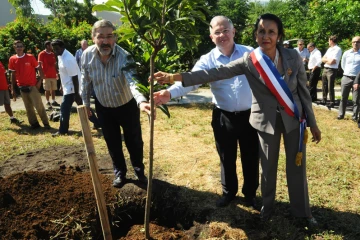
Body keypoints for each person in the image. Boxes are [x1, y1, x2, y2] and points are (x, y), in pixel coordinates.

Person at [152, 13, 321, 225]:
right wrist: (173, 78)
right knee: (267, 170)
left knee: (296, 168)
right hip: (264, 121)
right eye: (261, 31)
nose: (265, 36)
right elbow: (213, 73)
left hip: (293, 119)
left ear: (279, 35)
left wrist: (312, 123)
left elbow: (304, 91)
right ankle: (266, 211)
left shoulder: (292, 56)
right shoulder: (250, 60)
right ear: (255, 34)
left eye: (271, 32)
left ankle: (303, 213)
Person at [153, 16, 259, 208]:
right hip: (223, 115)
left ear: (234, 31)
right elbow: (192, 81)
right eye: (217, 32)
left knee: (251, 156)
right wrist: (169, 93)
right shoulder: (207, 59)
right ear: (211, 37)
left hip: (250, 115)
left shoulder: (249, 53)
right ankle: (229, 193)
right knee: (226, 156)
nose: (222, 35)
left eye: (225, 30)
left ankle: (250, 194)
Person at [81, 19, 152, 187]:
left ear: (115, 38)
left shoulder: (124, 56)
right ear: (93, 38)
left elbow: (132, 81)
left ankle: (139, 171)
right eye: (100, 37)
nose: (105, 41)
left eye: (109, 36)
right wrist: (86, 103)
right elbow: (85, 81)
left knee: (134, 141)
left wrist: (141, 101)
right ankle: (120, 173)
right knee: (112, 141)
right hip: (103, 106)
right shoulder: (87, 56)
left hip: (126, 105)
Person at [9, 40, 50, 129]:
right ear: (14, 48)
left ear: (23, 47)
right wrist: (12, 88)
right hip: (22, 87)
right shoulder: (12, 59)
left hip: (32, 86)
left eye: (20, 46)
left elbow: (39, 68)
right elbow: (13, 74)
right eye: (17, 46)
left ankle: (46, 123)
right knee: (28, 108)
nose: (19, 48)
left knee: (39, 106)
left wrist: (39, 81)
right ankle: (34, 124)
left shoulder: (30, 57)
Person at [50, 39, 83, 136]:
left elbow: (75, 77)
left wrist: (76, 93)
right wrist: (61, 86)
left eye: (57, 49)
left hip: (72, 87)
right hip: (67, 87)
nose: (55, 52)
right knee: (83, 106)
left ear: (62, 47)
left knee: (64, 109)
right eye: (54, 50)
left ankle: (62, 130)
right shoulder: (61, 56)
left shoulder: (68, 58)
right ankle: (98, 123)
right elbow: (63, 73)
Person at [337, 36, 360, 121]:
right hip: (346, 77)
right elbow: (343, 64)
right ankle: (341, 114)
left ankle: (355, 116)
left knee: (356, 99)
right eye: (354, 42)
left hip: (357, 79)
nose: (355, 43)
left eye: (357, 42)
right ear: (351, 43)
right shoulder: (346, 53)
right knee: (343, 97)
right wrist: (347, 73)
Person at [321, 35, 342, 108]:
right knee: (324, 85)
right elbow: (322, 58)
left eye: (329, 40)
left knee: (330, 86)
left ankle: (332, 101)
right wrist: (327, 60)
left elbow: (332, 62)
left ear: (331, 41)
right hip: (325, 69)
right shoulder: (329, 49)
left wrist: (326, 60)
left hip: (332, 70)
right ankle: (324, 99)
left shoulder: (338, 49)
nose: (328, 42)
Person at [38, 40, 60, 108]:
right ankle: (47, 101)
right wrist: (41, 74)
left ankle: (53, 101)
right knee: (47, 89)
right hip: (46, 75)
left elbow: (54, 64)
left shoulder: (52, 54)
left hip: (53, 74)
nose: (52, 47)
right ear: (47, 46)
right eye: (51, 45)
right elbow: (39, 64)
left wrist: (57, 73)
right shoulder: (41, 54)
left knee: (53, 89)